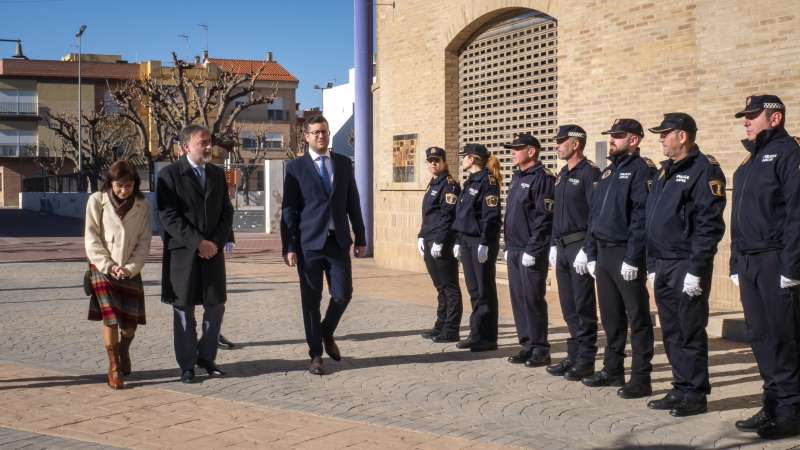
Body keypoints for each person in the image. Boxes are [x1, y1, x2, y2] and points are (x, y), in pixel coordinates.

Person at [644, 113, 726, 417]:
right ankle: (680, 387)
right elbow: (652, 220)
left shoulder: (704, 169)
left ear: (682, 136)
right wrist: (652, 262)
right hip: (664, 262)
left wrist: (696, 268)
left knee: (690, 329)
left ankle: (695, 394)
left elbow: (709, 225)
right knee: (671, 330)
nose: (661, 139)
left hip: (686, 263)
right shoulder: (664, 171)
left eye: (665, 134)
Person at [729, 95, 800, 439]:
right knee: (759, 335)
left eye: (753, 115)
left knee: (783, 337)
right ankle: (771, 403)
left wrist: (792, 266)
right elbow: (738, 218)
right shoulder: (749, 159)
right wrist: (734, 260)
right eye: (745, 116)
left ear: (775, 118)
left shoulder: (789, 153)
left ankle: (791, 410)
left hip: (775, 259)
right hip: (748, 260)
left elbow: (797, 212)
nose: (746, 121)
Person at [281, 115, 367, 375]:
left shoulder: (342, 163)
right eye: (316, 132)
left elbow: (353, 201)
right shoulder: (295, 167)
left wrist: (361, 236)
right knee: (311, 300)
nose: (322, 136)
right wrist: (289, 246)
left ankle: (326, 332)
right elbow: (289, 210)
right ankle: (316, 354)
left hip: (337, 242)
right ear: (306, 136)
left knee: (343, 294)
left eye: (325, 132)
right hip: (309, 244)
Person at [579, 118, 656, 399]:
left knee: (638, 317)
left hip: (625, 252)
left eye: (618, 135)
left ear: (634, 140)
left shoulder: (642, 170)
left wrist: (633, 257)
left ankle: (641, 377)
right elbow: (594, 216)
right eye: (611, 135)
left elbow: (641, 217)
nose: (611, 140)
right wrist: (590, 251)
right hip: (604, 252)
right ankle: (612, 369)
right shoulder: (609, 171)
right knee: (611, 316)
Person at [158, 125, 234, 384]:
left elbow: (227, 212)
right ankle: (187, 365)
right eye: (203, 142)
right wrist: (198, 242)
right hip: (184, 255)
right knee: (184, 309)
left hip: (212, 253)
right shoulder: (169, 175)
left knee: (216, 306)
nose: (209, 146)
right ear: (185, 147)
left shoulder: (217, 174)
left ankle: (207, 357)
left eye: (209, 141)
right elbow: (168, 216)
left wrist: (216, 243)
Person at [85, 160, 152, 390]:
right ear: (110, 183)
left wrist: (130, 267)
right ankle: (113, 366)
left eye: (128, 185)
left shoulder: (142, 205)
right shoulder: (97, 201)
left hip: (129, 269)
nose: (124, 190)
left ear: (135, 184)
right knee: (110, 318)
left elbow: (144, 241)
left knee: (130, 323)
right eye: (119, 185)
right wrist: (108, 265)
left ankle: (124, 348)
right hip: (103, 268)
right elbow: (91, 238)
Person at [546, 125, 600, 381]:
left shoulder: (589, 172)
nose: (556, 145)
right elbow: (557, 213)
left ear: (576, 144)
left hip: (579, 245)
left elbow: (595, 214)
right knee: (568, 306)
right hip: (562, 246)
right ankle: (574, 355)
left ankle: (586, 360)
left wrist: (588, 250)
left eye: (561, 141)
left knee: (583, 305)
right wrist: (553, 244)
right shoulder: (562, 174)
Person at [502, 133, 554, 367]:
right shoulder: (517, 176)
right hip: (514, 248)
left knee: (533, 299)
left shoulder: (542, 178)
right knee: (518, 299)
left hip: (530, 249)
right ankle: (527, 345)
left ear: (531, 151)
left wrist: (533, 250)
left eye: (517, 149)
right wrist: (507, 245)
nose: (513, 153)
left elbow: (544, 218)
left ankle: (540, 349)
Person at [452, 143, 502, 352]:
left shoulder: (487, 182)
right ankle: (476, 333)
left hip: (480, 242)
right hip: (466, 241)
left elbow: (491, 216)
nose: (462, 160)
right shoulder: (470, 181)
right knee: (474, 290)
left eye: (464, 156)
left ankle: (487, 337)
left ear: (472, 159)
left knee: (484, 290)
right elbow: (463, 215)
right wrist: (458, 240)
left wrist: (485, 242)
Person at [417, 146, 463, 343]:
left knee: (449, 287)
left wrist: (439, 241)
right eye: (430, 161)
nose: (433, 163)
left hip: (442, 242)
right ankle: (440, 325)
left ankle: (451, 329)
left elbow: (447, 216)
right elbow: (428, 215)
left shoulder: (449, 185)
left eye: (437, 160)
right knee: (440, 287)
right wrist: (421, 236)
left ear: (444, 162)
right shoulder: (433, 183)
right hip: (429, 239)